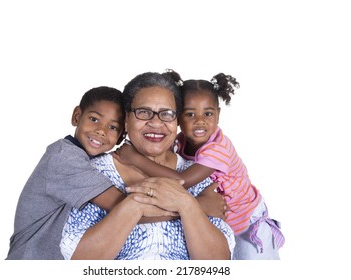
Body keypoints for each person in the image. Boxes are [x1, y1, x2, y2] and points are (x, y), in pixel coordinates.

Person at [60, 72, 235, 260]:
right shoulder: (94, 173)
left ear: (177, 121)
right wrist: (191, 205)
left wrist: (188, 206)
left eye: (167, 114)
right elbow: (80, 261)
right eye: (143, 112)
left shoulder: (198, 176)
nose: (155, 123)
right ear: (126, 120)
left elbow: (218, 264)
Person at [114, 70, 285, 260]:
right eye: (190, 114)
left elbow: (182, 180)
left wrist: (135, 159)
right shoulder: (180, 141)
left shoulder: (218, 149)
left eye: (208, 113)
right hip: (222, 218)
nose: (200, 121)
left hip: (248, 221)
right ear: (178, 117)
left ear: (218, 115)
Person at [6, 86, 130, 259]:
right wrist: (179, 206)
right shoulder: (65, 158)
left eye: (113, 127)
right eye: (94, 119)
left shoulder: (95, 162)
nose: (101, 130)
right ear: (77, 116)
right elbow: (125, 207)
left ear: (121, 136)